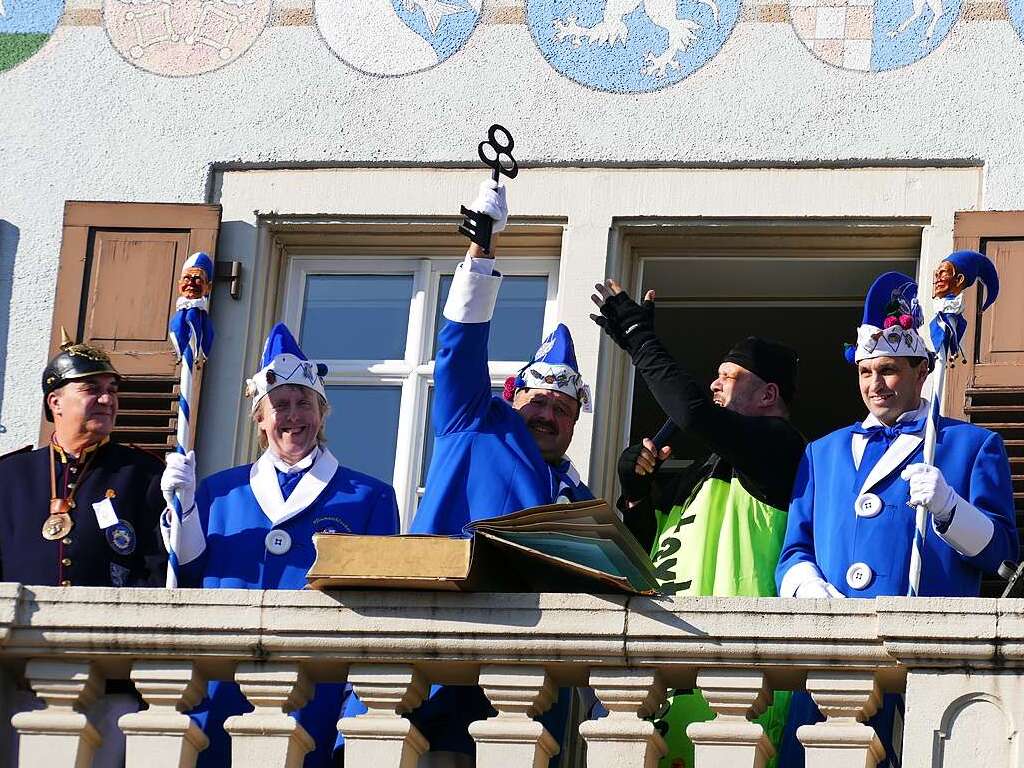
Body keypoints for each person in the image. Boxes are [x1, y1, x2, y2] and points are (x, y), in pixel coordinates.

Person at [775, 269, 1017, 767]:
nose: (875, 385)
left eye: (888, 370)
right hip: (833, 663)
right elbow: (794, 551)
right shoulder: (822, 453)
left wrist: (951, 508)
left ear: (920, 372)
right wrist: (813, 594)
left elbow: (1005, 558)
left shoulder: (971, 446)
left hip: (924, 669)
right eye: (866, 372)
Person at [407, 180, 594, 765]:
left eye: (562, 410)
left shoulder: (582, 500)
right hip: (436, 657)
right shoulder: (474, 420)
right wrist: (481, 253)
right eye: (538, 402)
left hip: (527, 683)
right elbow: (458, 347)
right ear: (513, 398)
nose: (547, 415)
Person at [160, 322, 399, 768]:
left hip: (316, 686)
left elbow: (380, 607)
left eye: (304, 403)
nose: (293, 416)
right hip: (223, 684)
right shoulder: (217, 492)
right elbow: (187, 575)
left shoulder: (369, 497)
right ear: (260, 418)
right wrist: (184, 507)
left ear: (322, 413)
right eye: (281, 405)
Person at [591, 283, 804, 768]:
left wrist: (637, 337)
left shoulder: (782, 447)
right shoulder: (705, 470)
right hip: (670, 672)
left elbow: (692, 412)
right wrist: (635, 492)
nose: (715, 383)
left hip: (734, 675)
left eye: (727, 376)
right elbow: (650, 552)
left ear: (768, 393)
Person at [0, 330, 167, 767]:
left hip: (110, 677)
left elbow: (155, 572)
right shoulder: (9, 477)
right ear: (55, 401)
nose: (108, 400)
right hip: (18, 675)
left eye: (112, 391)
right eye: (92, 389)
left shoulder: (145, 476)